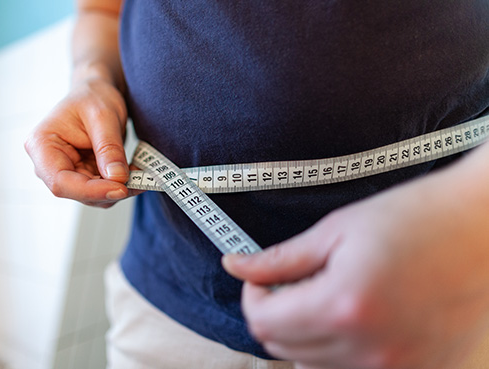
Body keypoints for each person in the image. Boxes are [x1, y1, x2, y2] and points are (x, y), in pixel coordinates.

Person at [25, 0, 489, 368]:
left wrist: (473, 225)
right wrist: (91, 75)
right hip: (167, 301)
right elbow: (102, 9)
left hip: (432, 295)